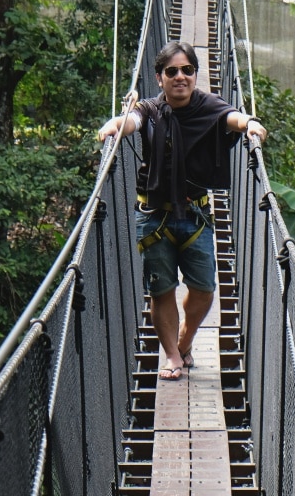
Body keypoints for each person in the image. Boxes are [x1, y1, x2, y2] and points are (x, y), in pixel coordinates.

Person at [98, 42, 267, 381]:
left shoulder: (208, 106)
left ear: (195, 74)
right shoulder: (149, 109)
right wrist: (116, 124)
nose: (180, 77)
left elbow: (229, 117)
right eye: (171, 71)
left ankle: (185, 340)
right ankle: (172, 356)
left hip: (195, 216)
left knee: (204, 290)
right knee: (161, 291)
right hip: (153, 215)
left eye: (187, 70)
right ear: (159, 78)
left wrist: (250, 123)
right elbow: (133, 120)